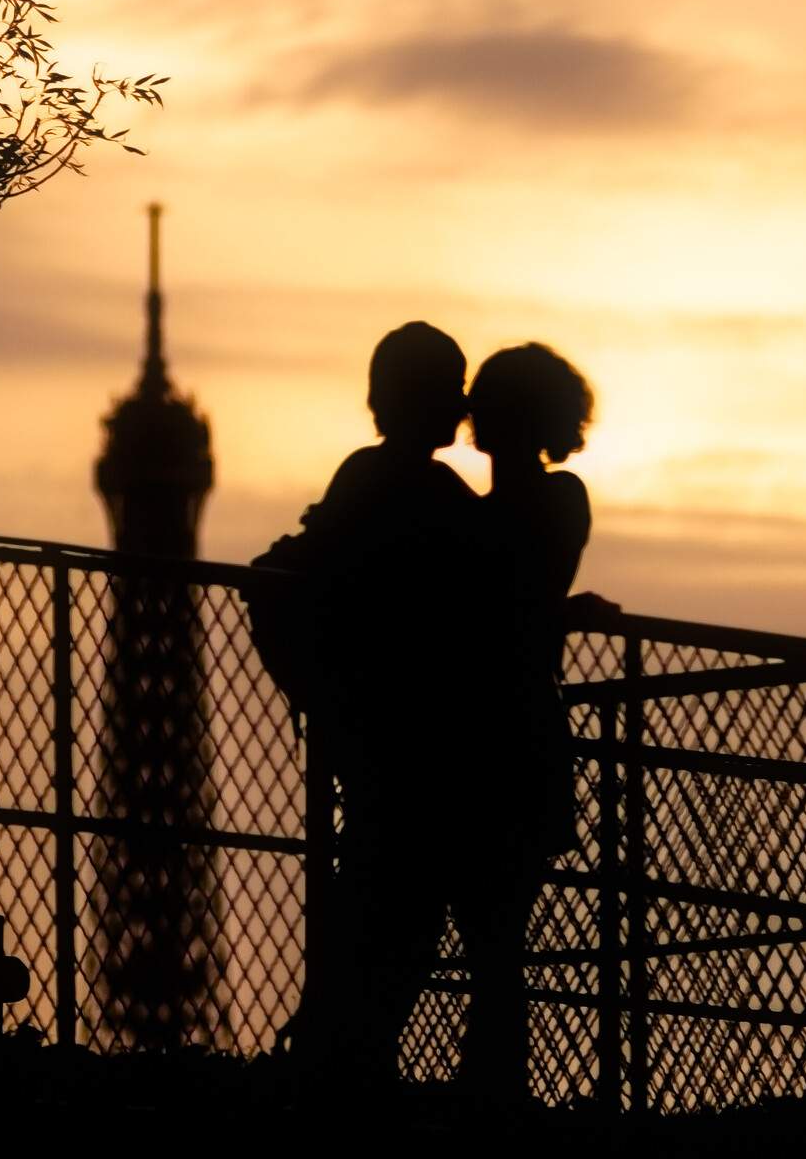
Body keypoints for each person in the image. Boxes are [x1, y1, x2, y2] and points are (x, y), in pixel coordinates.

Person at [255, 321, 480, 1089]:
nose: (463, 402)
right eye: (453, 386)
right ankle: (345, 1062)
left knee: (380, 906)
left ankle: (338, 1057)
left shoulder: (367, 479)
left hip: (374, 736)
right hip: (416, 743)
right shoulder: (432, 495)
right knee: (402, 917)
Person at [444, 341, 599, 1101]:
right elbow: (526, 604)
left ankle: (491, 1095)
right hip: (526, 731)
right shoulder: (560, 501)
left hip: (477, 736)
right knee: (497, 939)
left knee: (489, 938)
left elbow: (499, 603)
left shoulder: (473, 518)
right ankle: (498, 1097)